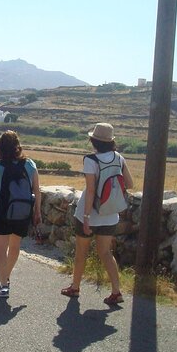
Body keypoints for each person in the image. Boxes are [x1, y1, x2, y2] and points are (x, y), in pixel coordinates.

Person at [61, 123, 134, 305]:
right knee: (106, 253)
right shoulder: (119, 158)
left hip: (91, 214)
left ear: (93, 140)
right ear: (111, 141)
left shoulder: (91, 160)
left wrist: (86, 218)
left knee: (81, 252)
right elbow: (130, 183)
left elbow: (91, 191)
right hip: (110, 214)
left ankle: (75, 287)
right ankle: (116, 291)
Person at [0, 130, 41, 298]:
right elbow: (37, 191)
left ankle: (4, 285)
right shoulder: (30, 164)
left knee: (0, 249)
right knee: (15, 246)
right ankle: (6, 277)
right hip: (23, 212)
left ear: (1, 147)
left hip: (3, 211)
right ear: (18, 146)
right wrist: (37, 211)